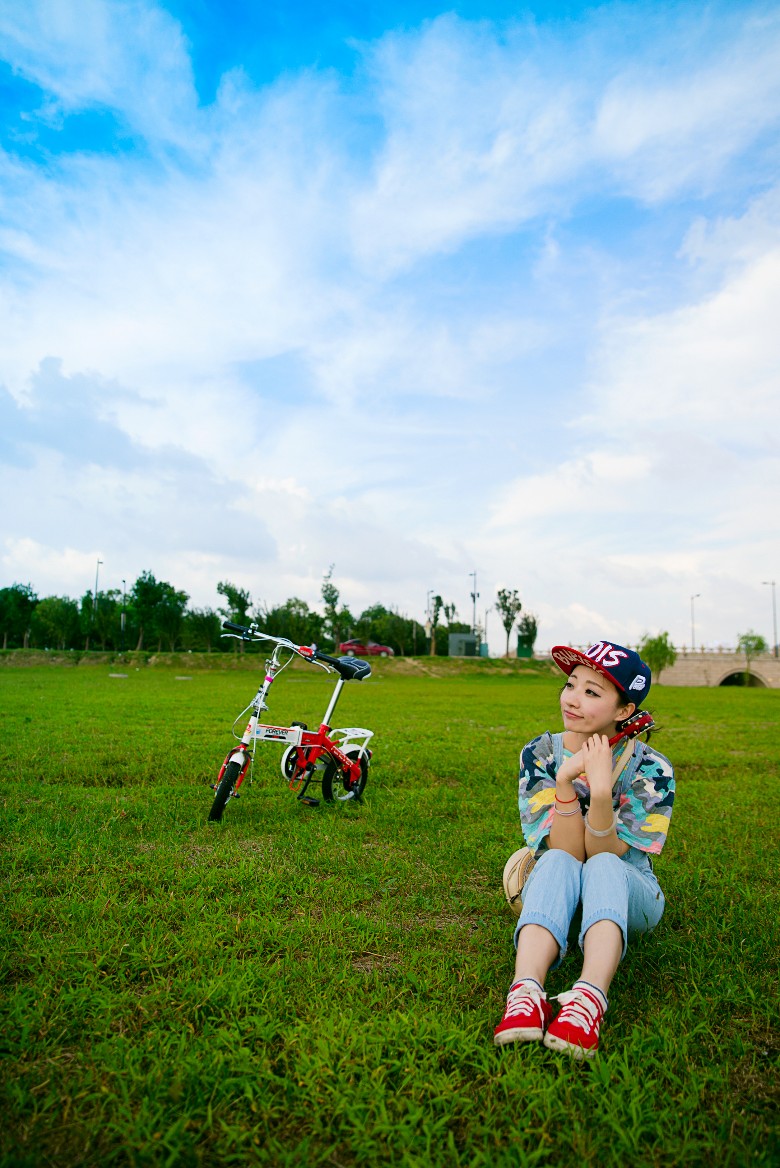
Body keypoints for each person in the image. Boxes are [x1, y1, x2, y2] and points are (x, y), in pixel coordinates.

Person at [493, 639, 675, 1058]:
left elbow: (600, 853)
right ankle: (525, 992)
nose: (572, 699)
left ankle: (589, 999)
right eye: (571, 685)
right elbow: (569, 851)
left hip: (627, 891)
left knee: (605, 864)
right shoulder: (540, 753)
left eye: (592, 692)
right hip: (560, 886)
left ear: (624, 710)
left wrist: (603, 790)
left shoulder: (653, 769)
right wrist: (564, 782)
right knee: (557, 858)